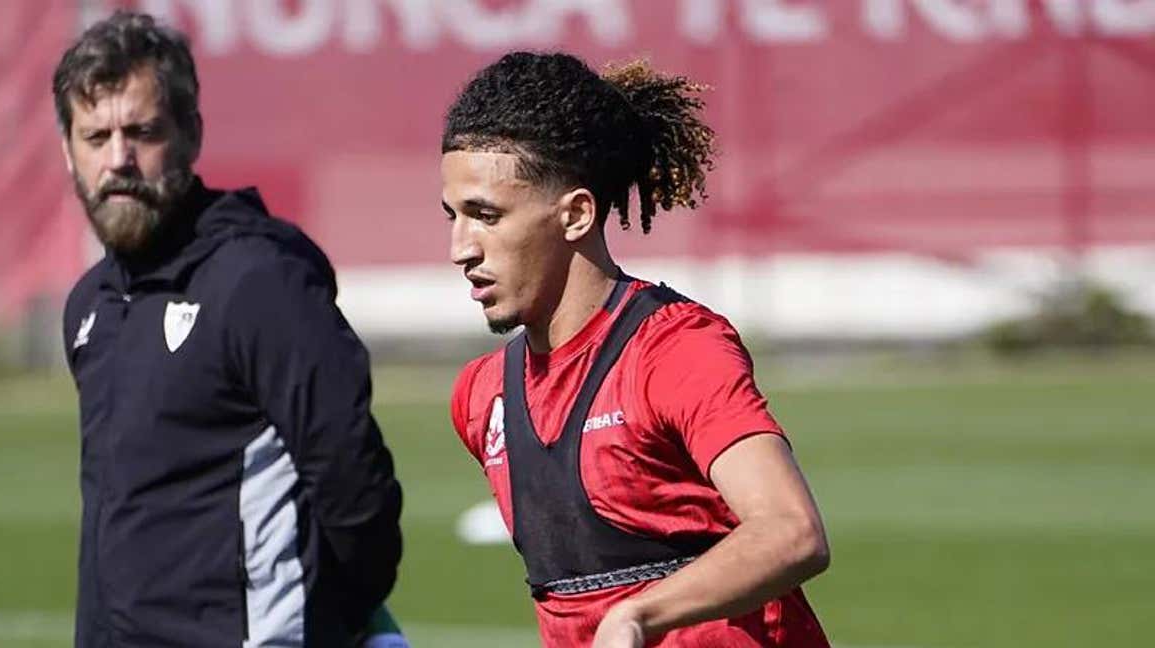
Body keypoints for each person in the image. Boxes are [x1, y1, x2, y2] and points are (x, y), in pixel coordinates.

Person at [443, 52, 831, 647]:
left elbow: (791, 531)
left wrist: (637, 615)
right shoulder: (481, 396)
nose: (460, 248)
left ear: (575, 215)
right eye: (452, 216)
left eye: (485, 216)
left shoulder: (674, 350)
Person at [55, 11, 405, 647]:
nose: (119, 160)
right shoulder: (89, 307)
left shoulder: (259, 281)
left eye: (142, 131)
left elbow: (357, 488)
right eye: (95, 136)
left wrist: (326, 621)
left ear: (190, 134)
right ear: (67, 150)